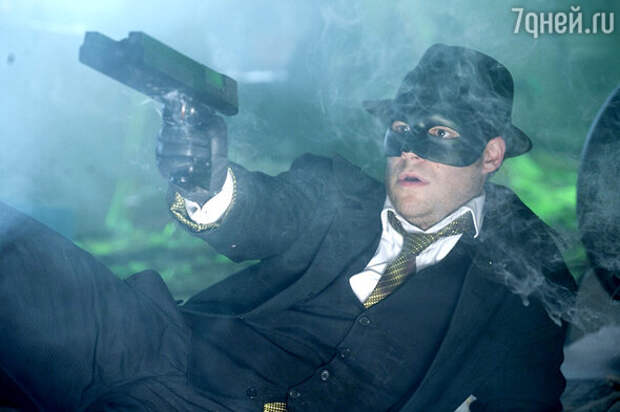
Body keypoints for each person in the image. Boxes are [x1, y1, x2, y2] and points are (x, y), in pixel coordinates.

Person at [0, 44, 576, 412]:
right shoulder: (336, 193)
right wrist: (205, 182)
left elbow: (525, 401)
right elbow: (260, 210)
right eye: (401, 129)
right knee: (15, 253)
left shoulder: (524, 280)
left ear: (491, 154)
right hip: (157, 351)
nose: (411, 151)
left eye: (441, 134)